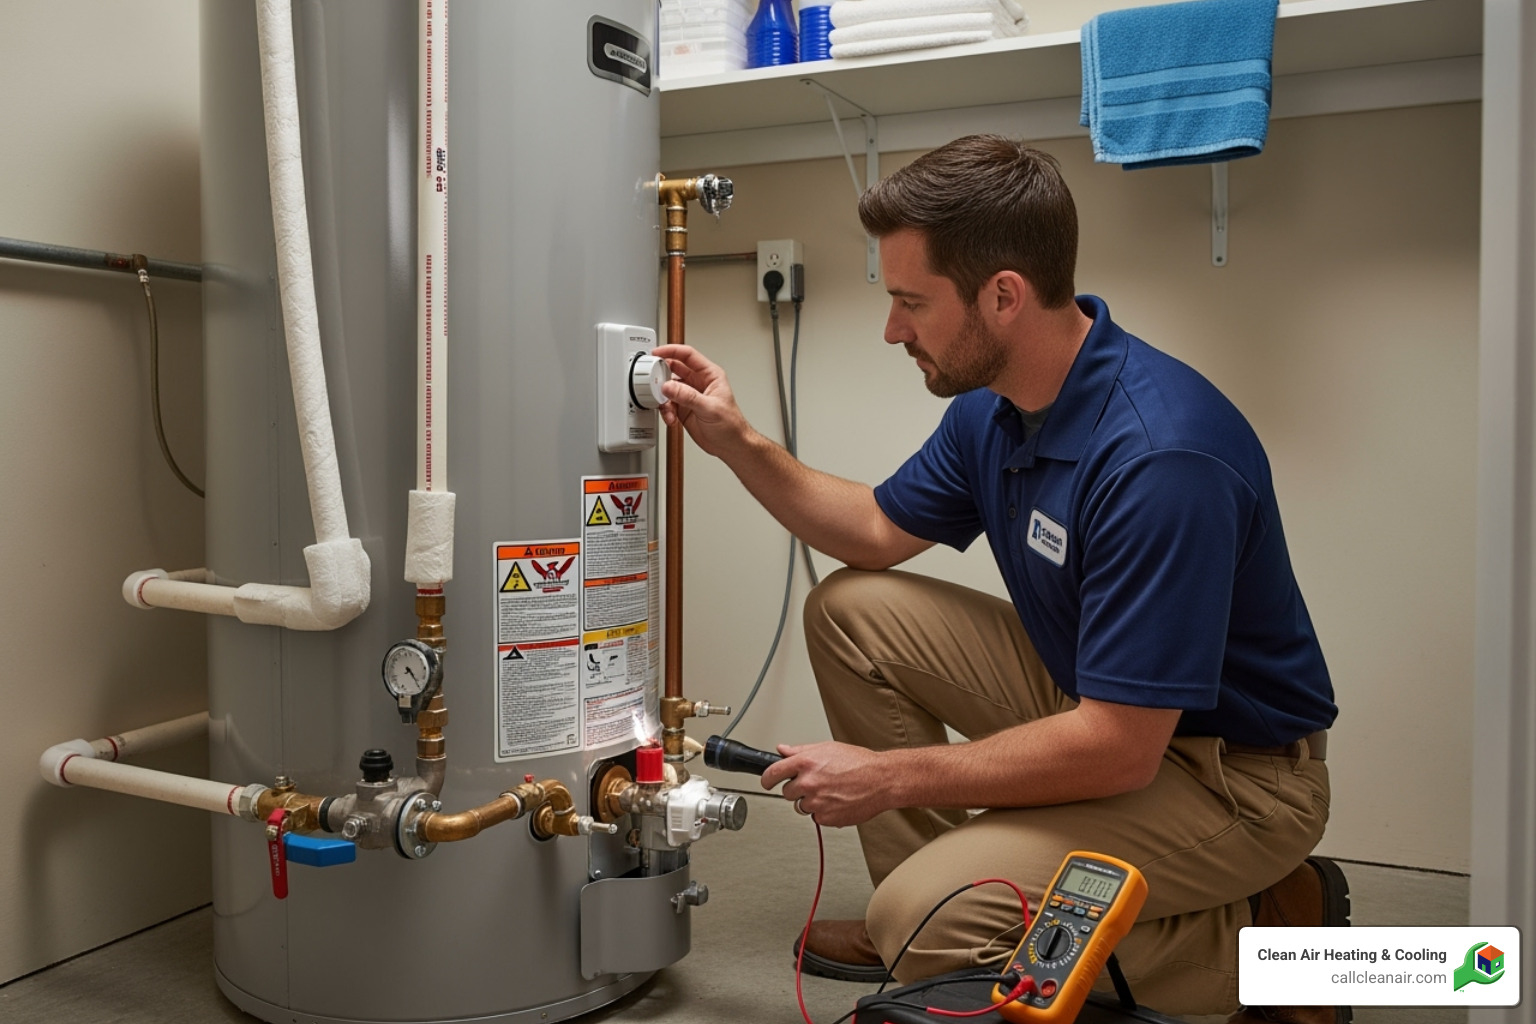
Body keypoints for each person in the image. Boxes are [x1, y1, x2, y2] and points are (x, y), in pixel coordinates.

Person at [654, 135, 1346, 1024]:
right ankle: (929, 901)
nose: (893, 329)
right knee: (852, 608)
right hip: (1109, 708)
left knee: (928, 924)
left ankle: (1267, 941)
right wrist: (736, 441)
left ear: (1004, 296)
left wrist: (891, 776)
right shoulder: (998, 407)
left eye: (911, 302)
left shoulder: (1159, 458)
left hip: (1233, 777)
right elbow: (872, 531)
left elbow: (1120, 749)